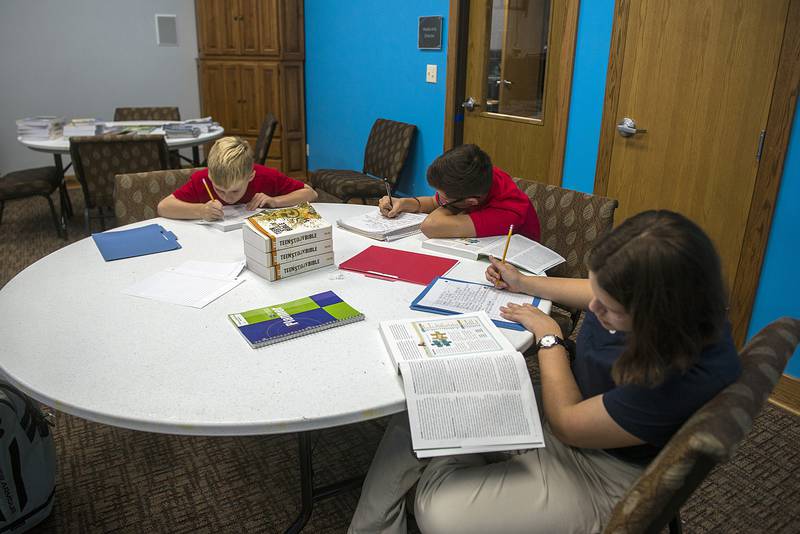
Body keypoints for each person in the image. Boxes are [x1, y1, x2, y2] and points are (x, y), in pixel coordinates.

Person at [349, 210, 741, 534]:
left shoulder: (675, 376)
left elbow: (568, 423)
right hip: (572, 414)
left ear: (655, 315)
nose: (594, 311)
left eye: (608, 308)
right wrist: (523, 281)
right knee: (420, 409)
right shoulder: (678, 304)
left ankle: (458, 461)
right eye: (596, 295)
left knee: (436, 510)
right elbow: (594, 292)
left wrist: (550, 339)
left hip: (601, 470)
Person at [378, 144, 540, 241]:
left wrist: (445, 205)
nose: (441, 199)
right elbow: (436, 203)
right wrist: (405, 203)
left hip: (515, 269)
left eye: (445, 197)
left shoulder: (507, 212)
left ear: (471, 202)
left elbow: (430, 226)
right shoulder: (477, 177)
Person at [157, 136, 317, 220]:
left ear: (250, 176)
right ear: (210, 176)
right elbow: (163, 207)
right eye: (219, 189)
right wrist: (200, 210)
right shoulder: (203, 180)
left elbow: (310, 193)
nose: (227, 197)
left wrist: (276, 201)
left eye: (235, 191)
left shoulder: (265, 176)